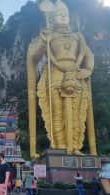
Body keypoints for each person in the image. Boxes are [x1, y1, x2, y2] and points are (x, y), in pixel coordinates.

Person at [27, 0, 97, 157]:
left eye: (65, 14)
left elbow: (89, 55)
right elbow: (33, 56)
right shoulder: (48, 35)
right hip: (56, 74)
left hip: (75, 72)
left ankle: (76, 146)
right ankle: (59, 146)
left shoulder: (77, 36)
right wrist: (44, 41)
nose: (63, 17)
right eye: (59, 14)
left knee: (77, 112)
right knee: (57, 112)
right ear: (52, 18)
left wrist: (87, 70)